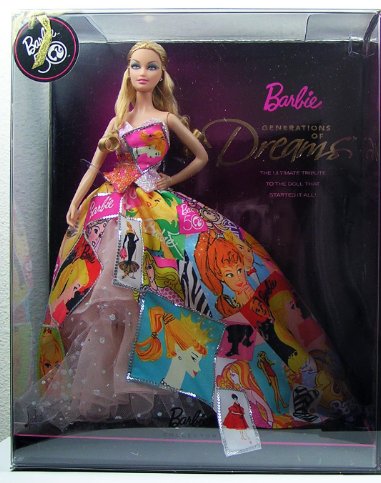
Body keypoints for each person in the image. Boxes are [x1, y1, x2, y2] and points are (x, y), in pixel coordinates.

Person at [16, 41, 360, 433]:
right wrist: (77, 201)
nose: (142, 73)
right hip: (113, 210)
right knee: (110, 299)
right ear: (127, 71)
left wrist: (169, 180)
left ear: (161, 74)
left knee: (168, 291)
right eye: (135, 65)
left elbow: (201, 157)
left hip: (154, 208)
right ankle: (115, 391)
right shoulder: (118, 120)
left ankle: (181, 379)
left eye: (151, 67)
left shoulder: (166, 118)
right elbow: (95, 167)